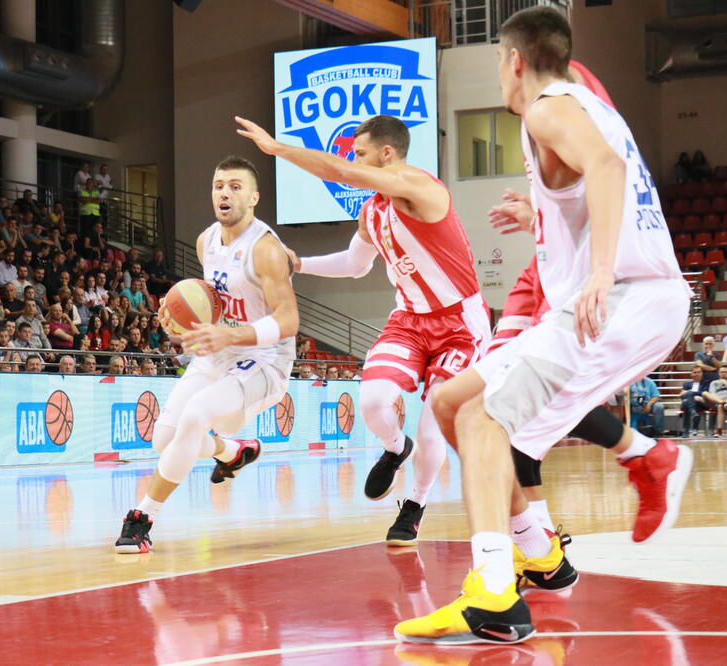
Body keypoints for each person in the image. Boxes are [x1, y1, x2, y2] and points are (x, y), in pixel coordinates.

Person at [392, 8, 692, 645]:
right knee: (452, 403)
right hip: (624, 297)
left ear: (514, 60)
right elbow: (597, 181)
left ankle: (495, 593)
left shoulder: (546, 108)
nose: (500, 74)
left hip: (625, 299)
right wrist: (542, 216)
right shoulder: (582, 105)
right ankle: (538, 551)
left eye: (498, 60)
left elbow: (607, 172)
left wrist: (601, 272)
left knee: (483, 421)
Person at [238, 113, 490, 545]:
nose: (352, 162)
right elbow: (355, 266)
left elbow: (337, 171)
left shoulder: (421, 187)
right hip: (409, 320)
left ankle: (415, 504)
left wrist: (278, 149)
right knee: (372, 401)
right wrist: (300, 264)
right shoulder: (371, 211)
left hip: (459, 325)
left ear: (386, 154)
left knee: (433, 428)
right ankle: (395, 448)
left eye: (360, 154)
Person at [114, 156, 298, 554]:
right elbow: (210, 302)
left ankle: (143, 517)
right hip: (219, 352)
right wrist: (175, 317)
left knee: (195, 417)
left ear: (253, 198)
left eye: (235, 186)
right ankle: (234, 451)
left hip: (264, 360)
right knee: (165, 439)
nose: (224, 193)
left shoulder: (265, 250)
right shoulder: (205, 241)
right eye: (218, 186)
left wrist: (231, 332)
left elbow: (288, 321)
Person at [706, 365, 727, 437]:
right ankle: (722, 402)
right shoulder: (714, 382)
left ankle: (719, 431)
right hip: (716, 402)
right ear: (718, 373)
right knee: (705, 394)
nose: (723, 373)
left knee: (721, 405)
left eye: (725, 372)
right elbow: (712, 394)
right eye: (721, 372)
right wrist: (719, 400)